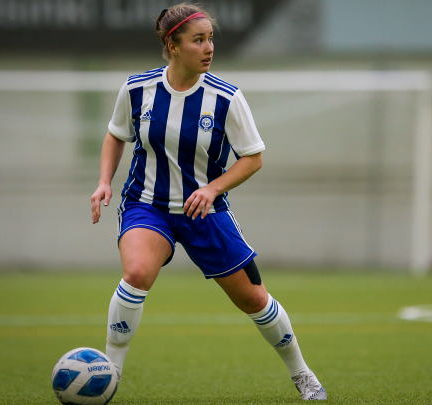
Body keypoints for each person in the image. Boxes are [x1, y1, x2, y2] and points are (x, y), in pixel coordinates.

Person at [89, 4, 326, 400]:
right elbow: (116, 134)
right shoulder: (137, 89)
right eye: (198, 40)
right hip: (148, 206)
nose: (208, 47)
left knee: (254, 299)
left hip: (206, 213)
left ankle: (302, 373)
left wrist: (213, 188)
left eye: (210, 38)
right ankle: (110, 369)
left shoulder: (226, 98)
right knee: (137, 274)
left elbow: (253, 158)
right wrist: (103, 182)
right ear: (173, 45)